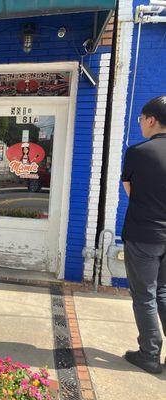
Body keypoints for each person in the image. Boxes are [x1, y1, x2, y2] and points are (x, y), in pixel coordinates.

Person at [121, 96, 166, 374]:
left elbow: (130, 191)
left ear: (151, 120)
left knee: (144, 295)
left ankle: (149, 354)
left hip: (144, 234)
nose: (140, 124)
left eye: (141, 119)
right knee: (163, 291)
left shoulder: (139, 152)